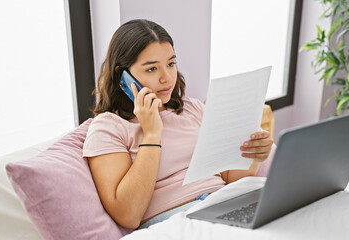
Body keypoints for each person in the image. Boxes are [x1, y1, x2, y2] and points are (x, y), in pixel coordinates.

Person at [82, 19, 275, 229]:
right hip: (177, 220)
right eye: (151, 69)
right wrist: (152, 134)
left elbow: (229, 178)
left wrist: (254, 156)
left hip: (224, 203)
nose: (167, 78)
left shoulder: (192, 109)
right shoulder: (108, 127)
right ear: (123, 75)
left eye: (171, 64)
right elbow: (128, 214)